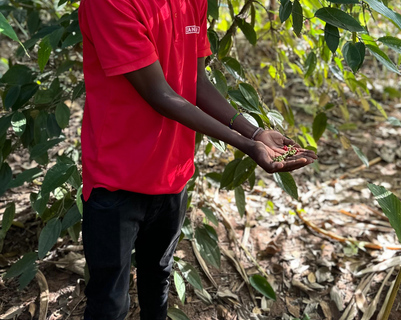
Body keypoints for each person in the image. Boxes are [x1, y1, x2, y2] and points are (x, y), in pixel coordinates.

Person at [77, 0, 317, 319]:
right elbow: (159, 94)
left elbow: (197, 82)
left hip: (172, 176)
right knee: (109, 301)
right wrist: (246, 144)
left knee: (158, 279)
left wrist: (256, 133)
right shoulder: (109, 4)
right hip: (116, 181)